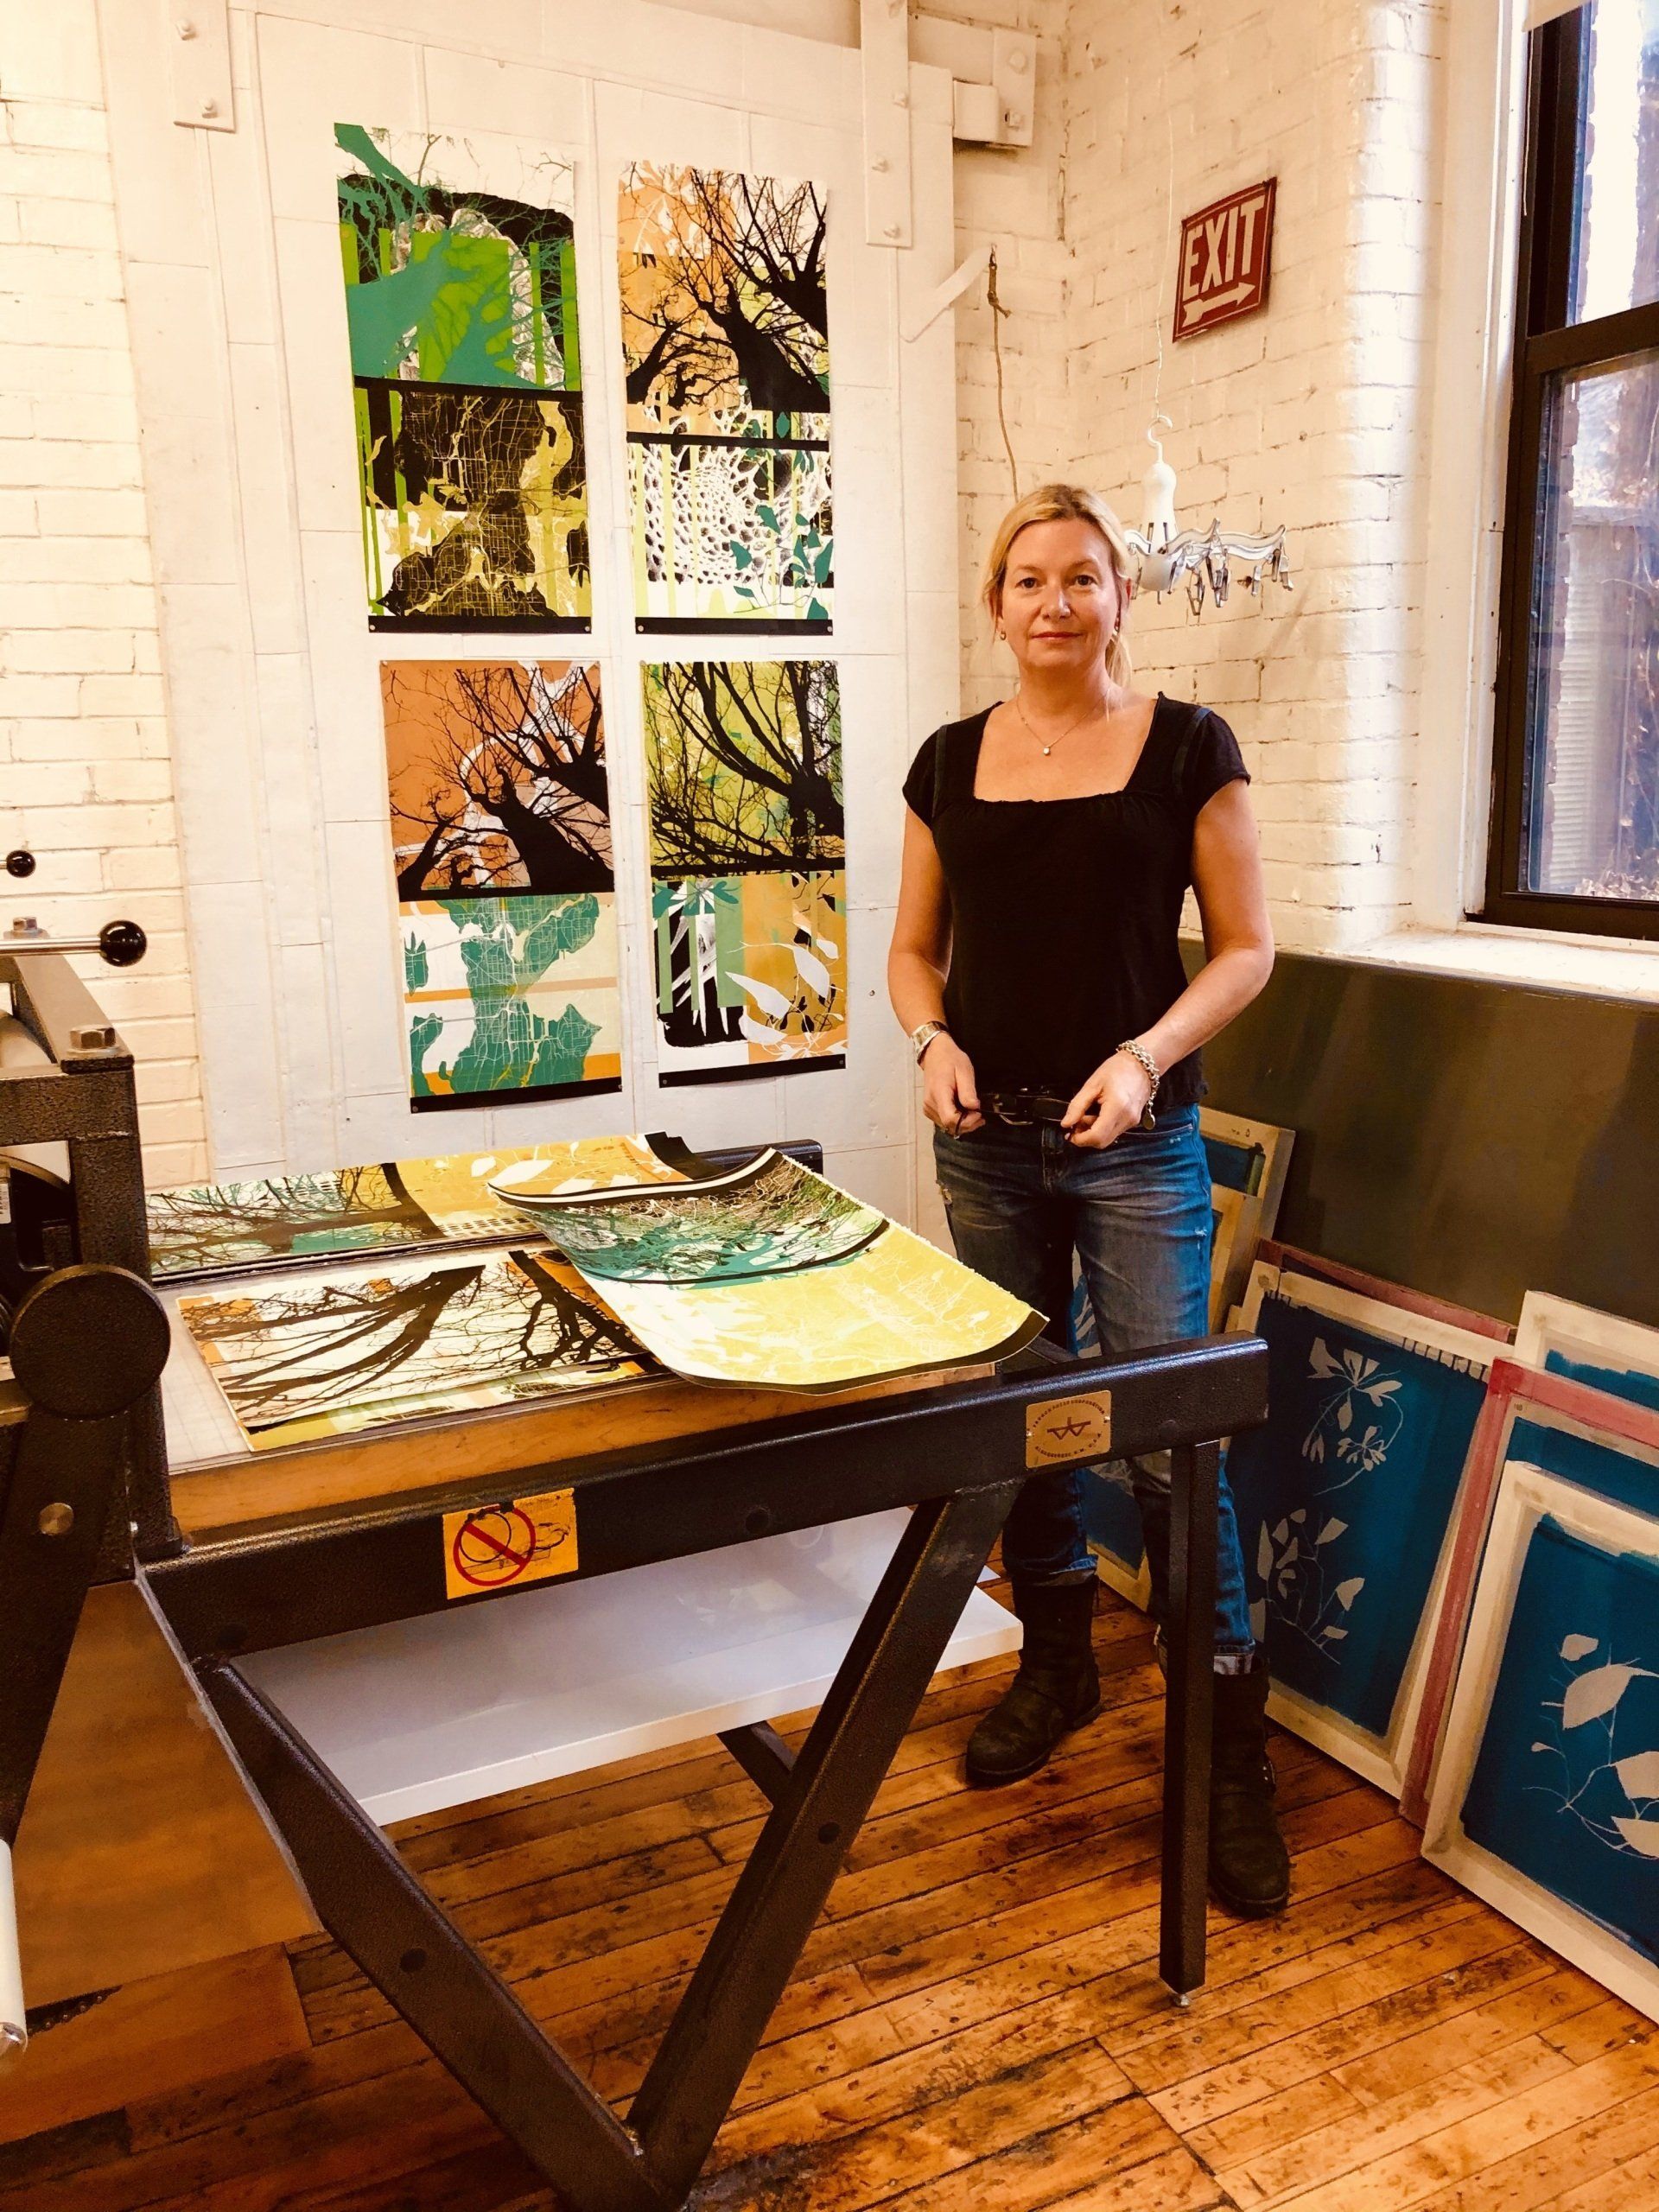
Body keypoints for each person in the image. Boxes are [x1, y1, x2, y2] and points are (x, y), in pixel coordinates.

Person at [887, 482, 1286, 1917]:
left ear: (1124, 594)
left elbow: (1245, 952)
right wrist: (929, 1040)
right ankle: (1056, 1664)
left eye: (1082, 577)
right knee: (1022, 1423)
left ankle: (1225, 1761)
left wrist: (1143, 1056)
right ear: (995, 604)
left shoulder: (1189, 749)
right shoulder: (946, 761)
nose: (1053, 601)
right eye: (1026, 579)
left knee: (1176, 1439)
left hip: (1134, 1145)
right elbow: (913, 953)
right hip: (987, 1147)